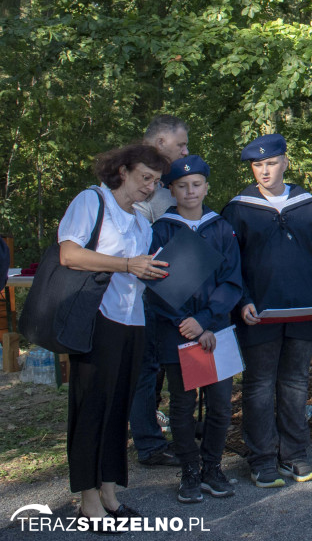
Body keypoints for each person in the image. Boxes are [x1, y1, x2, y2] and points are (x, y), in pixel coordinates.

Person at [221, 134, 312, 487]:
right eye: (257, 165)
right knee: (259, 386)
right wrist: (242, 299)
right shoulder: (239, 208)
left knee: (294, 384)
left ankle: (295, 455)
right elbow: (230, 263)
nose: (264, 171)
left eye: (271, 163)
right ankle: (261, 459)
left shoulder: (306, 204)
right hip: (259, 315)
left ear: (285, 163)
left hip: (304, 312)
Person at [57, 144, 170, 521]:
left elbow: (140, 271)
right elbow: (69, 255)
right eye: (144, 178)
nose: (150, 187)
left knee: (118, 408)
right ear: (122, 170)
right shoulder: (93, 201)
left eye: (155, 181)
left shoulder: (140, 220)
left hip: (133, 321)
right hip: (97, 320)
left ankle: (108, 492)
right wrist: (126, 264)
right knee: (92, 408)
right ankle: (87, 500)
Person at [148, 155, 243, 503]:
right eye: (182, 186)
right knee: (183, 405)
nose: (190, 191)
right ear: (171, 189)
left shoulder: (221, 228)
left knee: (220, 403)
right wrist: (185, 322)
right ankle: (189, 470)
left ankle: (212, 468)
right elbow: (156, 285)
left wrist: (206, 320)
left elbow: (232, 282)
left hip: (216, 331)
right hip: (177, 331)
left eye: (197, 184)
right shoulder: (161, 229)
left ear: (207, 187)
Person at [130, 114, 190, 468]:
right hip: (143, 294)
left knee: (163, 364)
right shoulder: (142, 189)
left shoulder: (166, 185)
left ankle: (169, 427)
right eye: (181, 144)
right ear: (160, 144)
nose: (185, 150)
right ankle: (149, 443)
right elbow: (136, 244)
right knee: (147, 368)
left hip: (172, 292)